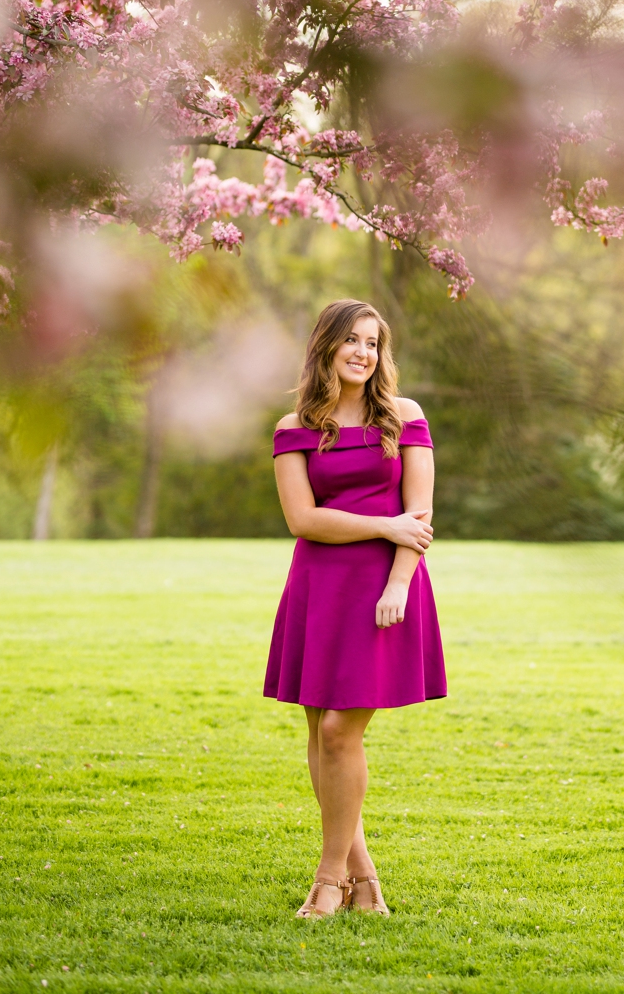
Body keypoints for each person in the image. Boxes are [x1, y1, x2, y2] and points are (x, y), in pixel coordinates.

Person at [264, 298, 446, 919]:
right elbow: (303, 518)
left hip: (383, 589)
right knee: (321, 732)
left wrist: (397, 582)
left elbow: (418, 517)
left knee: (342, 731)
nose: (364, 353)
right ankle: (364, 882)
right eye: (352, 341)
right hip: (320, 586)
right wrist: (384, 524)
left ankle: (329, 878)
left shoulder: (404, 415)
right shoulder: (294, 428)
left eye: (373, 342)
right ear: (326, 348)